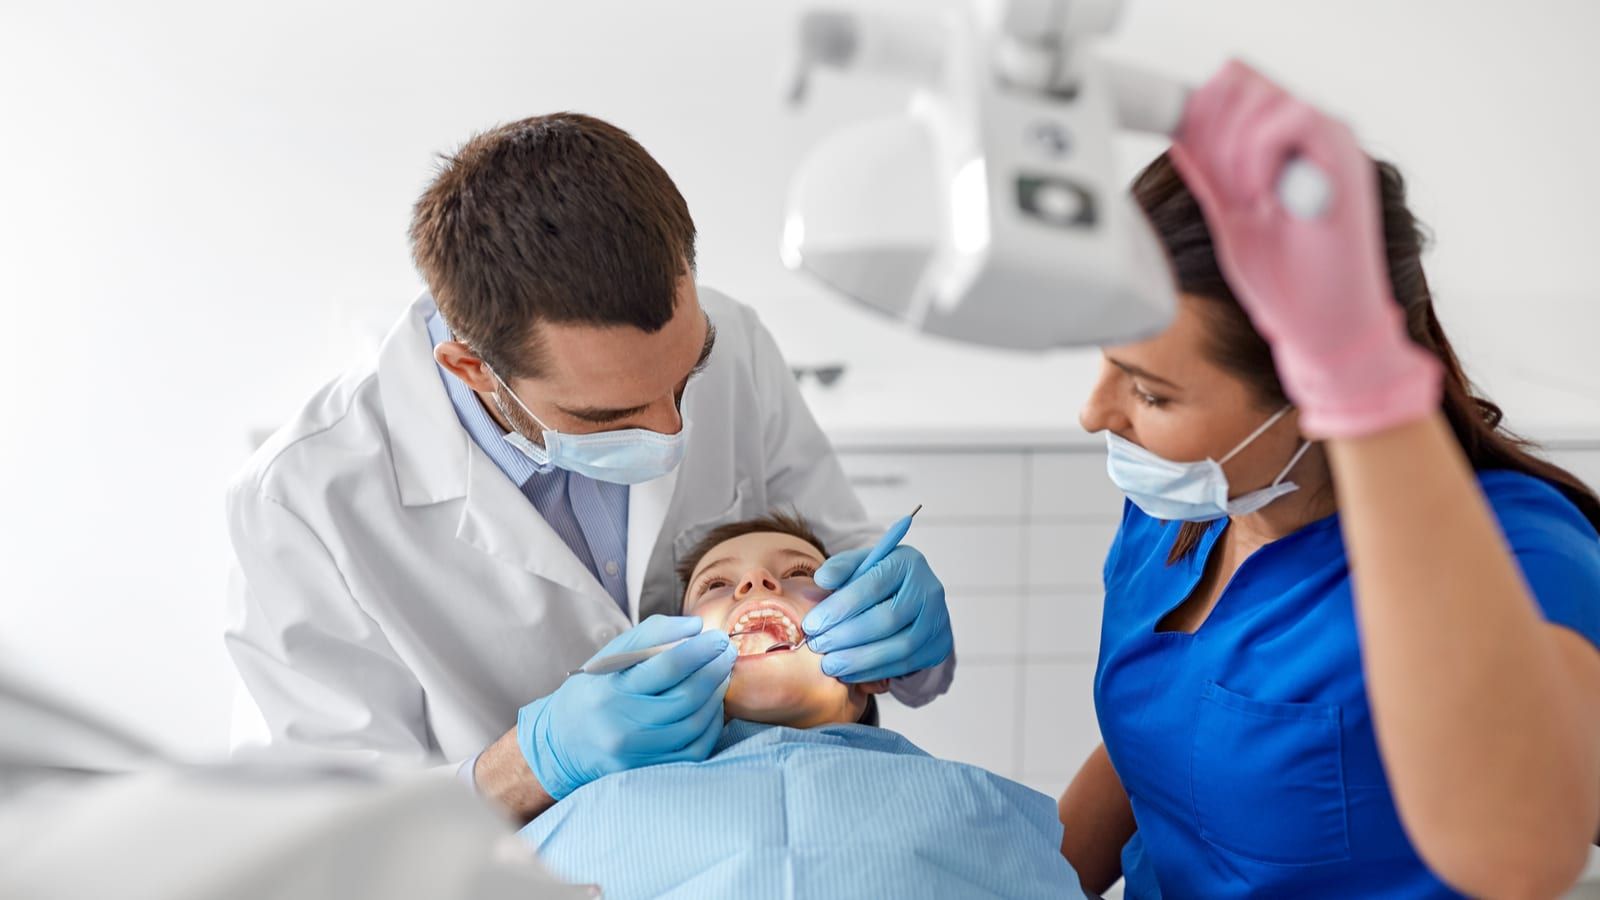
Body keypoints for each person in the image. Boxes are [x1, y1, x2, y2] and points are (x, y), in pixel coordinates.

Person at [223, 113, 955, 822]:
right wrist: (530, 764)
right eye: (609, 418)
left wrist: (901, 635)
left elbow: (843, 561)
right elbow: (320, 839)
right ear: (472, 367)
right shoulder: (301, 501)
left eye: (688, 378)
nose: (672, 431)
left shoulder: (735, 338)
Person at [1056, 62, 1600, 898]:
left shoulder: (1523, 554)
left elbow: (1521, 856)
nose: (1095, 413)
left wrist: (1364, 382)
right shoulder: (1180, 511)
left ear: (1311, 399)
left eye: (1150, 392)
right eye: (1105, 361)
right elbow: (1161, 738)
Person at [520, 513, 1082, 900]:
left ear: (875, 670)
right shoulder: (585, 812)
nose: (758, 582)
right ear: (664, 659)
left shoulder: (979, 805)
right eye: (715, 585)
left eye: (798, 575)